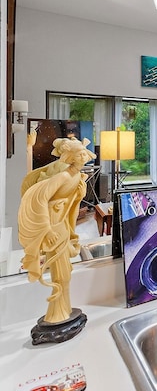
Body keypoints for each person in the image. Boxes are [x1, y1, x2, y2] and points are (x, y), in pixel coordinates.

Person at [18, 137, 96, 324]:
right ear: (71, 157)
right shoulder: (63, 176)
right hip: (54, 225)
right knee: (60, 270)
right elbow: (40, 198)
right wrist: (46, 228)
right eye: (81, 153)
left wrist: (79, 194)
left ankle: (62, 309)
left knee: (64, 269)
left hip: (61, 223)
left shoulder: (76, 176)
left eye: (85, 152)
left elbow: (70, 201)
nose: (85, 155)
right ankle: (57, 312)